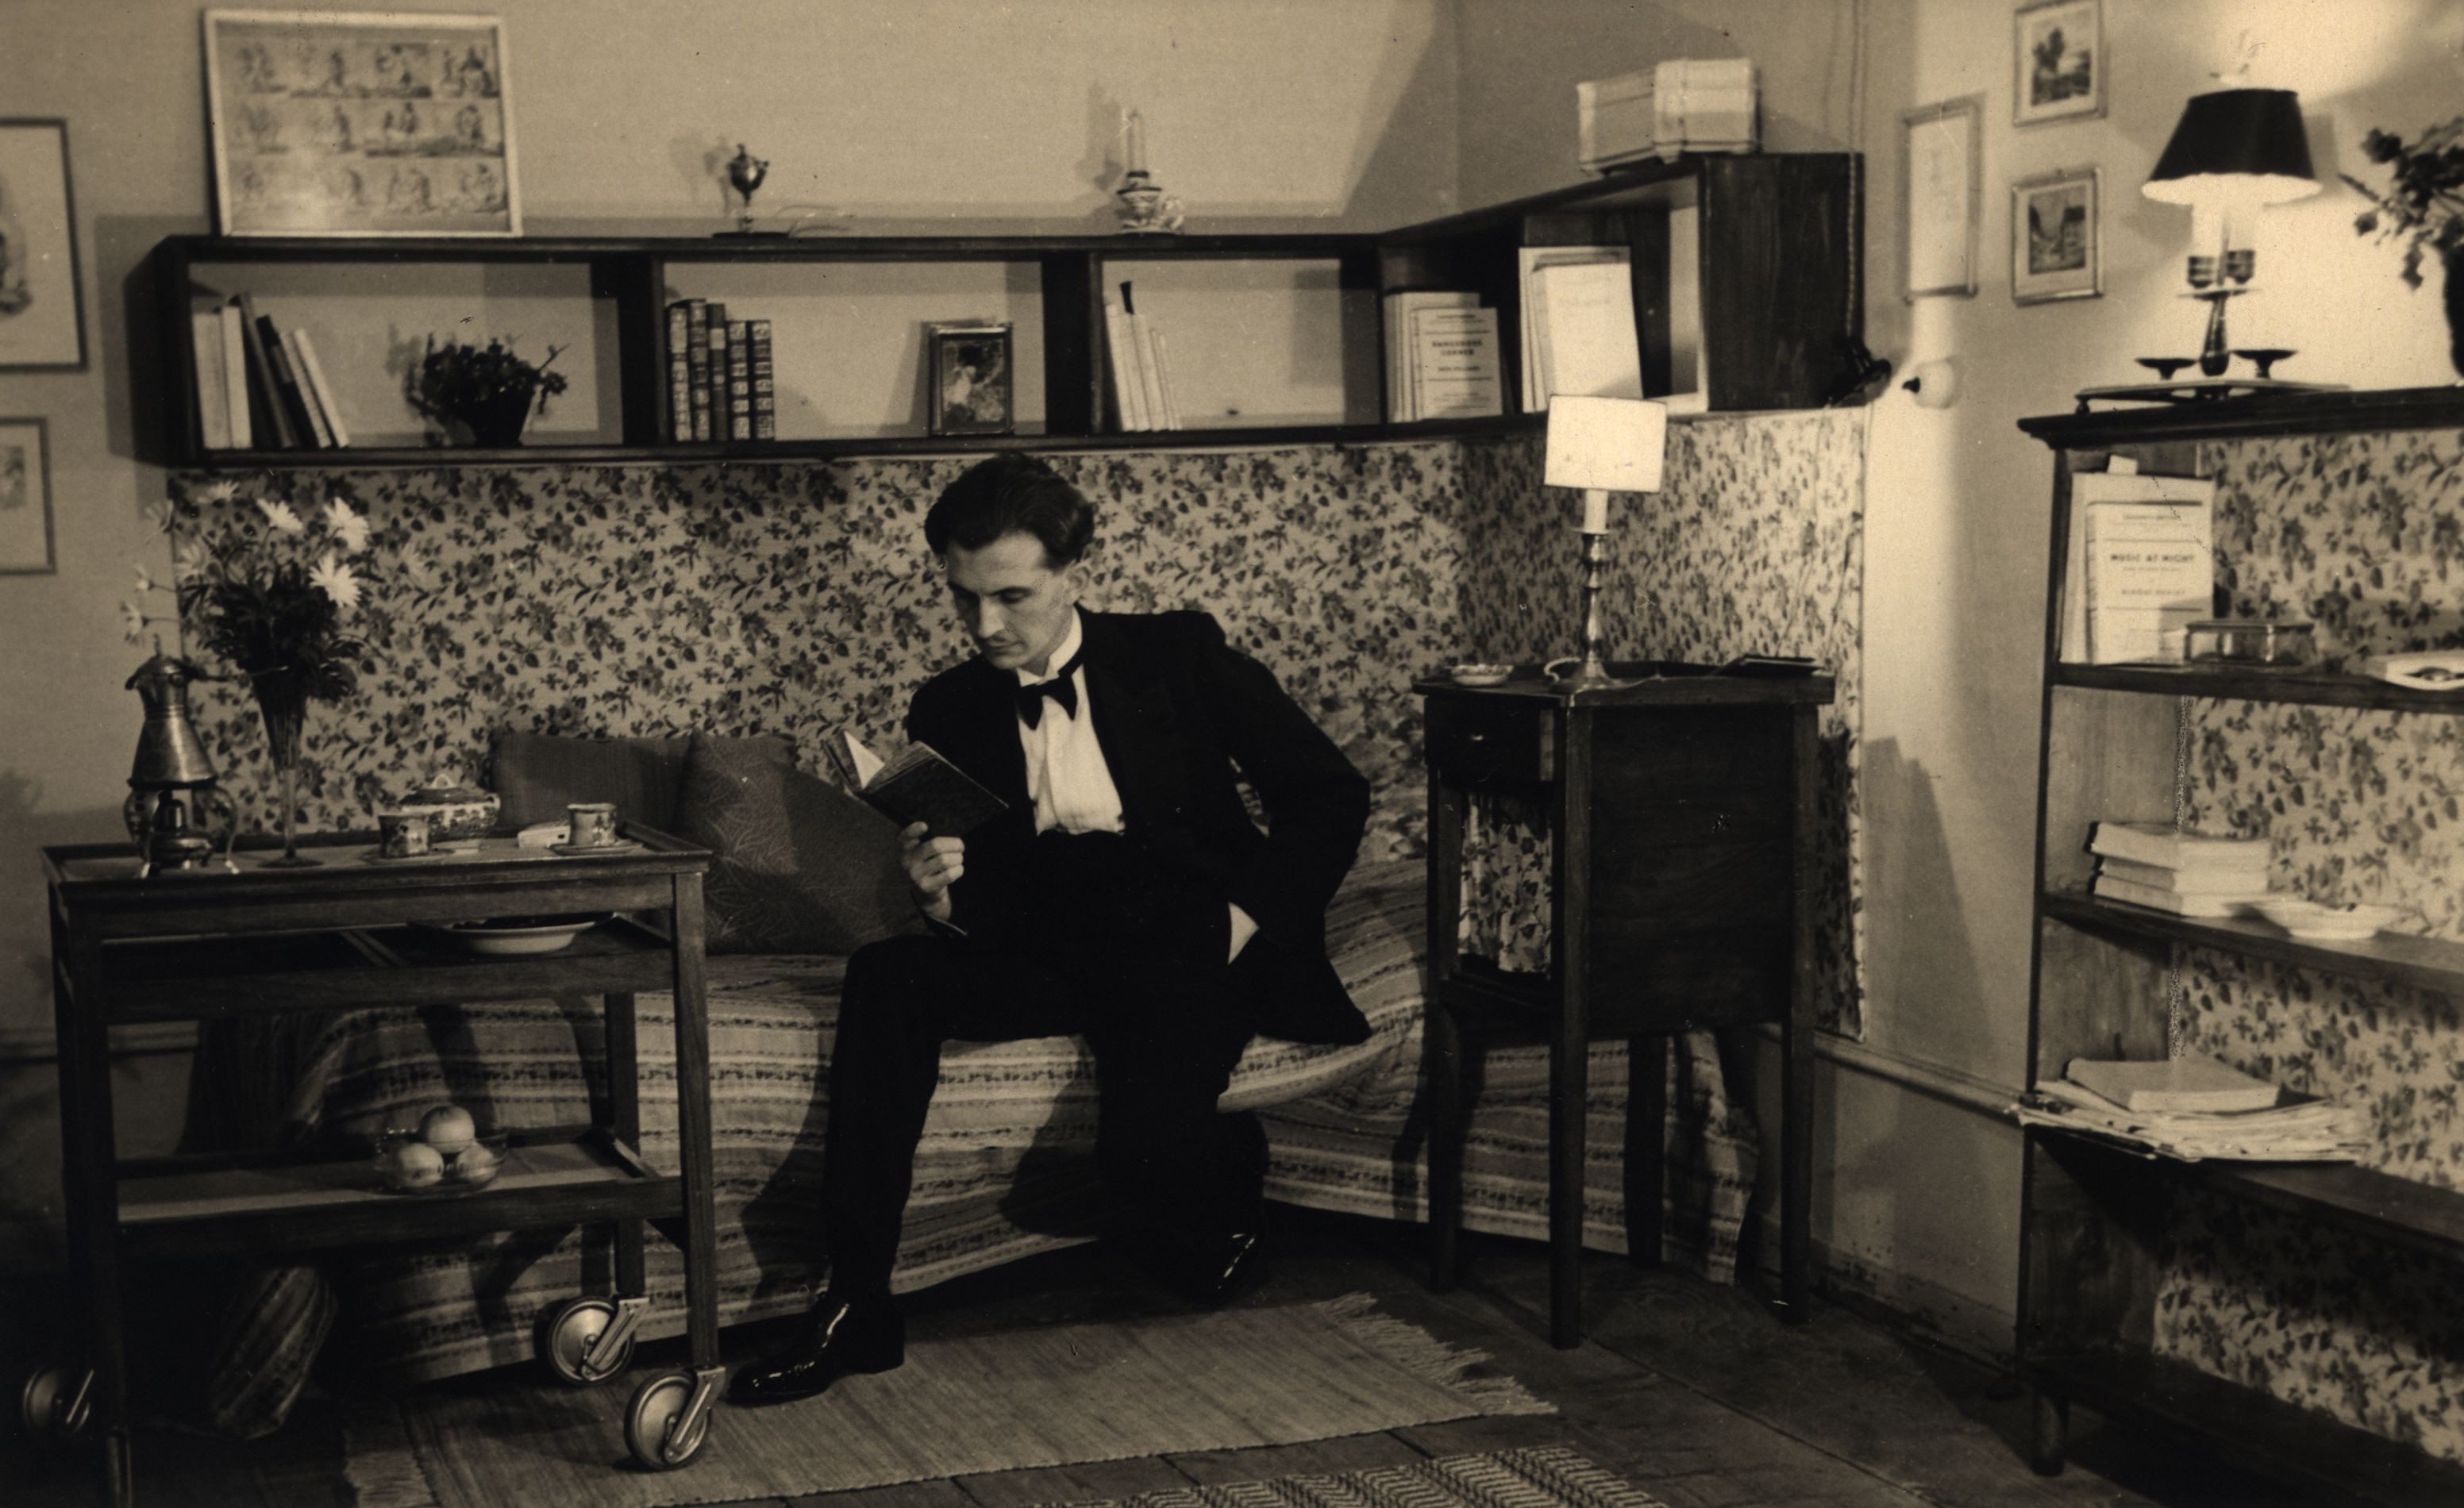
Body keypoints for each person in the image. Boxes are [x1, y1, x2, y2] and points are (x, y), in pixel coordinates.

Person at [729, 452, 1371, 1406]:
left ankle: (1222, 1185)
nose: (984, 625)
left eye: (1011, 596)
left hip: (1182, 938)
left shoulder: (1179, 654)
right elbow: (991, 901)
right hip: (1051, 943)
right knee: (886, 975)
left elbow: (1329, 795)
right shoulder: (948, 705)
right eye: (962, 597)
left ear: (1073, 572)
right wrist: (940, 901)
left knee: (1146, 1184)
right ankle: (856, 1300)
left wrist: (1239, 922)